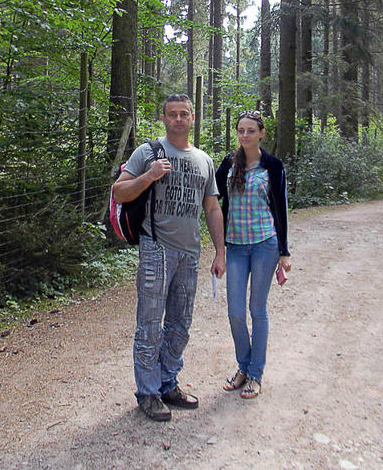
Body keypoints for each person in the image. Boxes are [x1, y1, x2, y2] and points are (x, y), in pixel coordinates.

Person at [112, 94, 226, 422]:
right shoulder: (147, 153)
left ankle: (167, 383)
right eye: (172, 114)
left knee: (180, 325)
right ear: (163, 118)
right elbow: (119, 192)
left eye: (184, 114)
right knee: (149, 325)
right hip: (156, 248)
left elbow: (212, 208)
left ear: (193, 118)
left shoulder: (204, 160)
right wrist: (148, 176)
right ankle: (147, 393)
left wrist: (219, 251)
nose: (178, 119)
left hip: (190, 254)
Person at [215, 110, 290, 399]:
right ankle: (243, 366)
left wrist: (284, 251)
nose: (245, 135)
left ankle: (255, 374)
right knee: (235, 312)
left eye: (250, 130)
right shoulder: (228, 165)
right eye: (240, 130)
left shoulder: (273, 165)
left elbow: (280, 207)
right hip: (235, 247)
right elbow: (214, 197)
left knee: (257, 310)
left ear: (261, 133)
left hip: (264, 246)